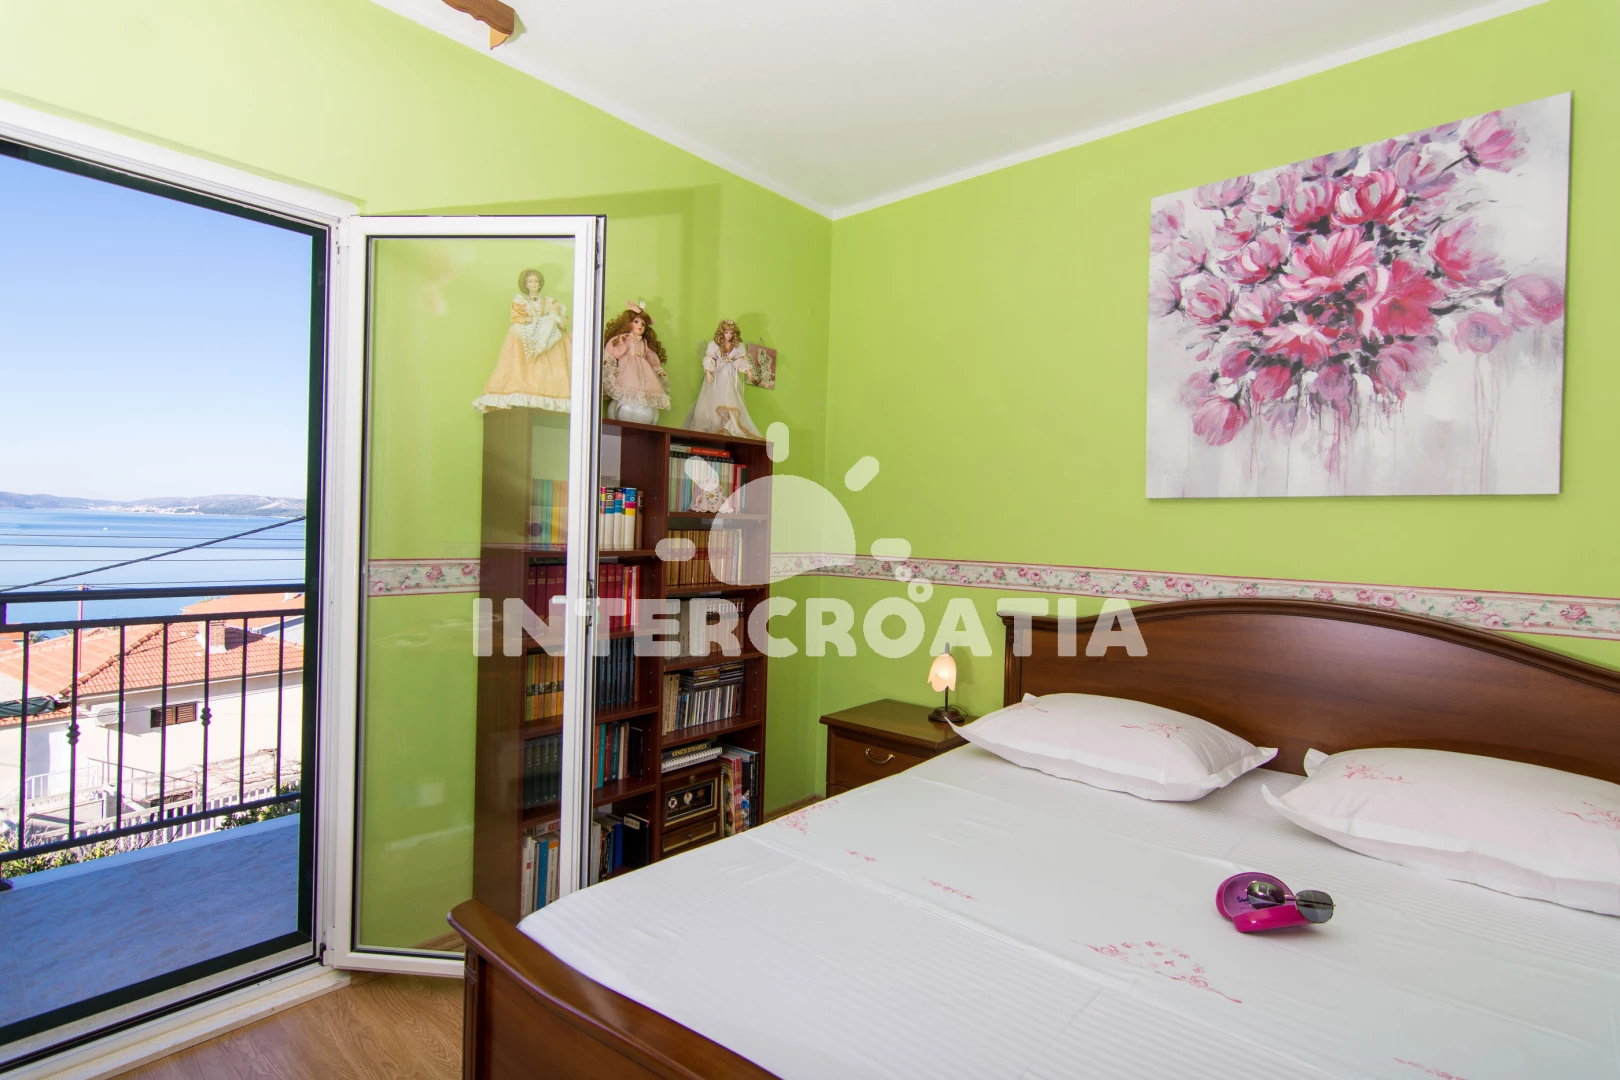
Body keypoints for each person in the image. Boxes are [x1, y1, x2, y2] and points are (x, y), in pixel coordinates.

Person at [473, 268, 571, 413]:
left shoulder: (547, 300)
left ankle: (541, 349)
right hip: (528, 326)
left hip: (543, 326)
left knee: (552, 327)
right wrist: (530, 320)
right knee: (517, 331)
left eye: (536, 281)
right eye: (530, 281)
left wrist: (555, 313)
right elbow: (517, 317)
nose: (534, 284)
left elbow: (556, 309)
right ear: (525, 284)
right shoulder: (521, 300)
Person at [685, 319, 759, 437]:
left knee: (730, 398)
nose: (729, 335)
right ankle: (714, 425)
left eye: (731, 333)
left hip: (730, 375)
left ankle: (729, 426)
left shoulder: (737, 346)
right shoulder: (715, 345)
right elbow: (709, 359)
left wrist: (747, 370)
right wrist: (708, 371)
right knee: (712, 399)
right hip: (717, 374)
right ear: (722, 333)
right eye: (726, 332)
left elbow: (741, 360)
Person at [601, 302, 671, 423]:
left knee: (643, 391)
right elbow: (616, 349)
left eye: (643, 324)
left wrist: (657, 368)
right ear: (627, 323)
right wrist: (609, 357)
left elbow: (650, 355)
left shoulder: (643, 343)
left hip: (643, 371)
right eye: (636, 322)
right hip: (627, 368)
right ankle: (625, 409)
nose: (640, 326)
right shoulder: (624, 338)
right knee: (628, 388)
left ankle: (641, 409)